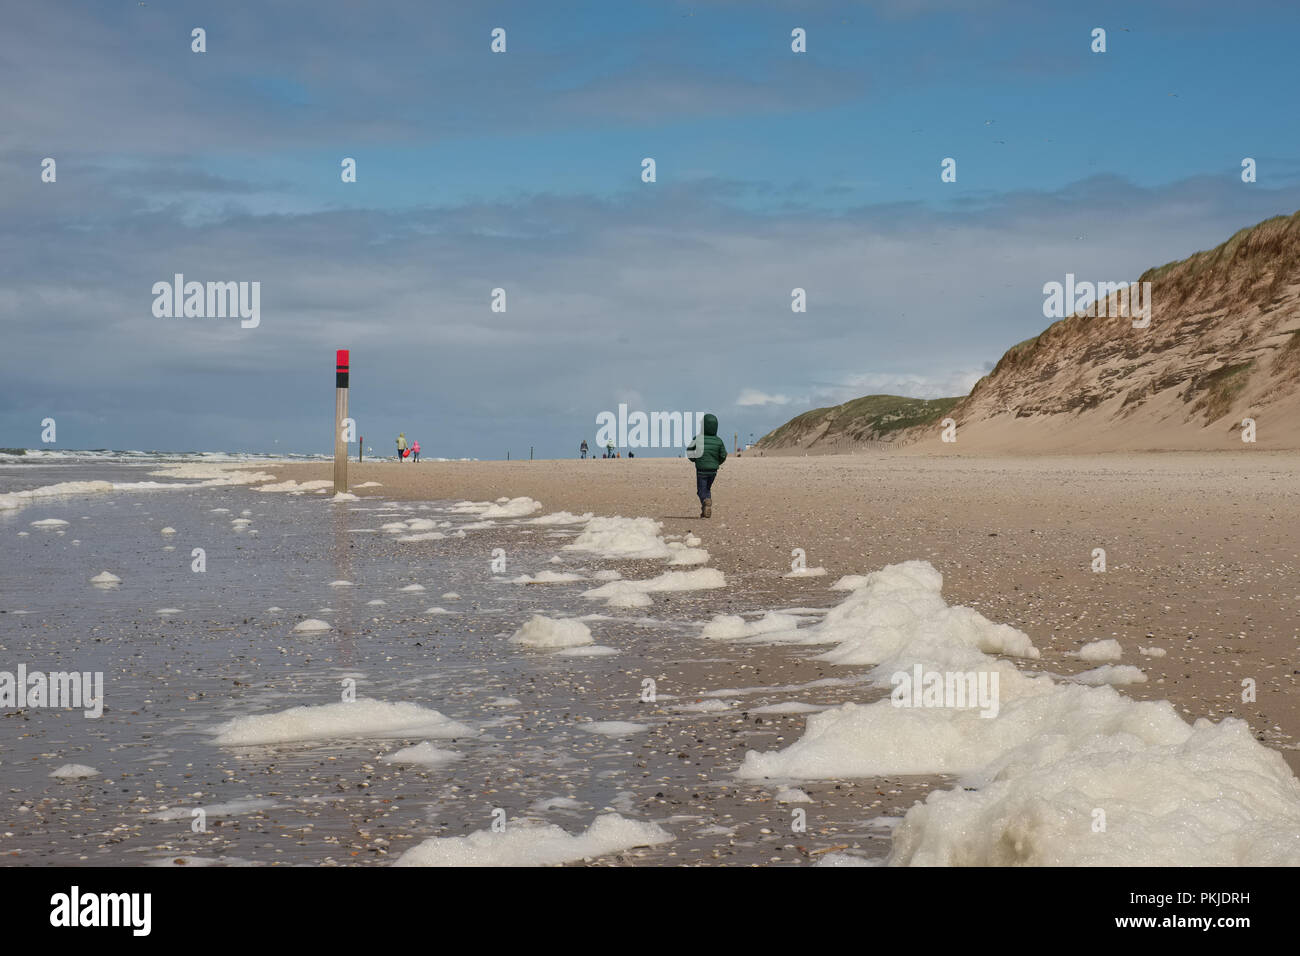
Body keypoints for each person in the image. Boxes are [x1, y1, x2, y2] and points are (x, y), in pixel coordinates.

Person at [686, 413, 727, 518]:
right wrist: (717, 463)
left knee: (701, 490)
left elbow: (689, 450)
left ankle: (705, 501)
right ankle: (704, 509)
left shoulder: (697, 438)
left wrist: (694, 460)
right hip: (713, 470)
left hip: (701, 469)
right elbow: (723, 455)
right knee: (707, 489)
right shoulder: (718, 440)